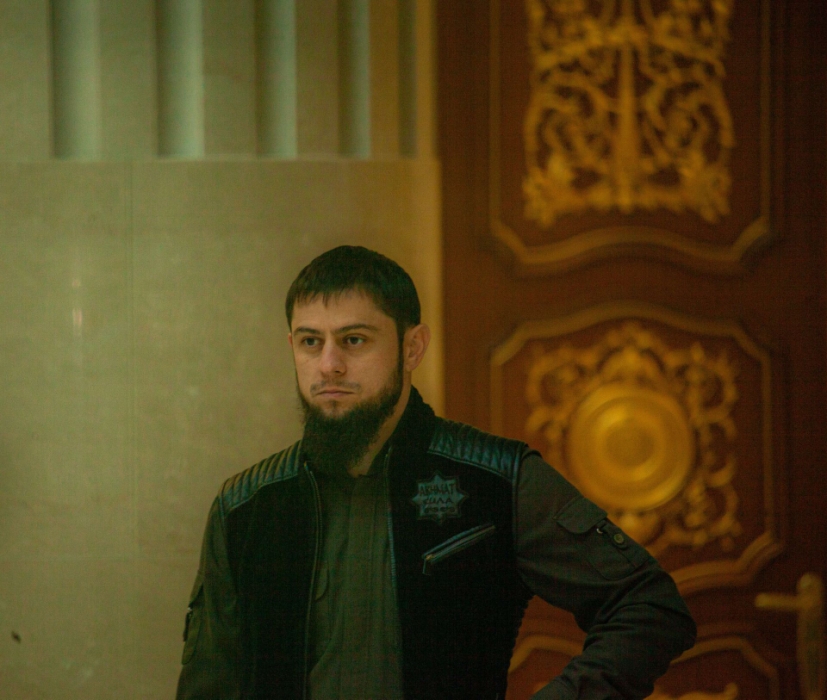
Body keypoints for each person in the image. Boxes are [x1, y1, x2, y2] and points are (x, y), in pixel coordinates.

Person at [175, 245, 696, 700]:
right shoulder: (245, 507)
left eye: (354, 340)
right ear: (293, 347)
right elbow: (208, 687)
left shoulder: (495, 481)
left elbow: (649, 606)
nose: (329, 364)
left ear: (412, 348)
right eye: (311, 342)